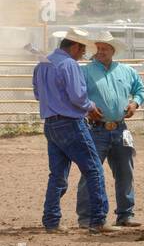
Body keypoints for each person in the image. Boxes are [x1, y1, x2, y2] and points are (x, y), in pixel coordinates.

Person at [32, 28, 110, 233]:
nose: (83, 54)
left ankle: (51, 221)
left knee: (57, 174)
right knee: (94, 170)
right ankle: (98, 220)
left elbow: (38, 94)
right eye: (82, 50)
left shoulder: (43, 63)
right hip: (70, 123)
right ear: (75, 47)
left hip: (51, 123)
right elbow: (78, 96)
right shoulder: (69, 64)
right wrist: (91, 106)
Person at [76, 32, 144, 228]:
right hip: (95, 128)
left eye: (104, 48)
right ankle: (87, 217)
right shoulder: (86, 71)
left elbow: (141, 89)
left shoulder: (126, 71)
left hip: (120, 128)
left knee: (125, 172)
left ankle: (125, 214)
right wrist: (88, 106)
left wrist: (135, 103)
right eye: (98, 48)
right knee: (90, 172)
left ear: (113, 51)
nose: (100, 52)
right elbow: (77, 94)